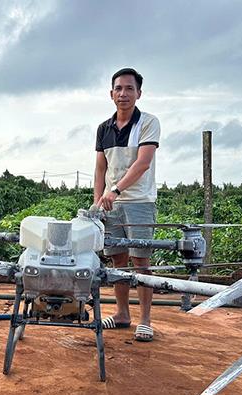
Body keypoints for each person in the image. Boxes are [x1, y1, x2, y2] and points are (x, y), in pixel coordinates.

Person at [93, 67, 160, 342]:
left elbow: (143, 163)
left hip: (139, 202)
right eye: (118, 89)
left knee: (140, 261)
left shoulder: (148, 122)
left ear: (139, 93)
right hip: (111, 205)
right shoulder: (103, 128)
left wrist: (116, 190)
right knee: (117, 260)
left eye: (129, 88)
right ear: (111, 94)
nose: (123, 94)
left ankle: (145, 320)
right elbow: (100, 168)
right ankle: (122, 314)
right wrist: (97, 203)